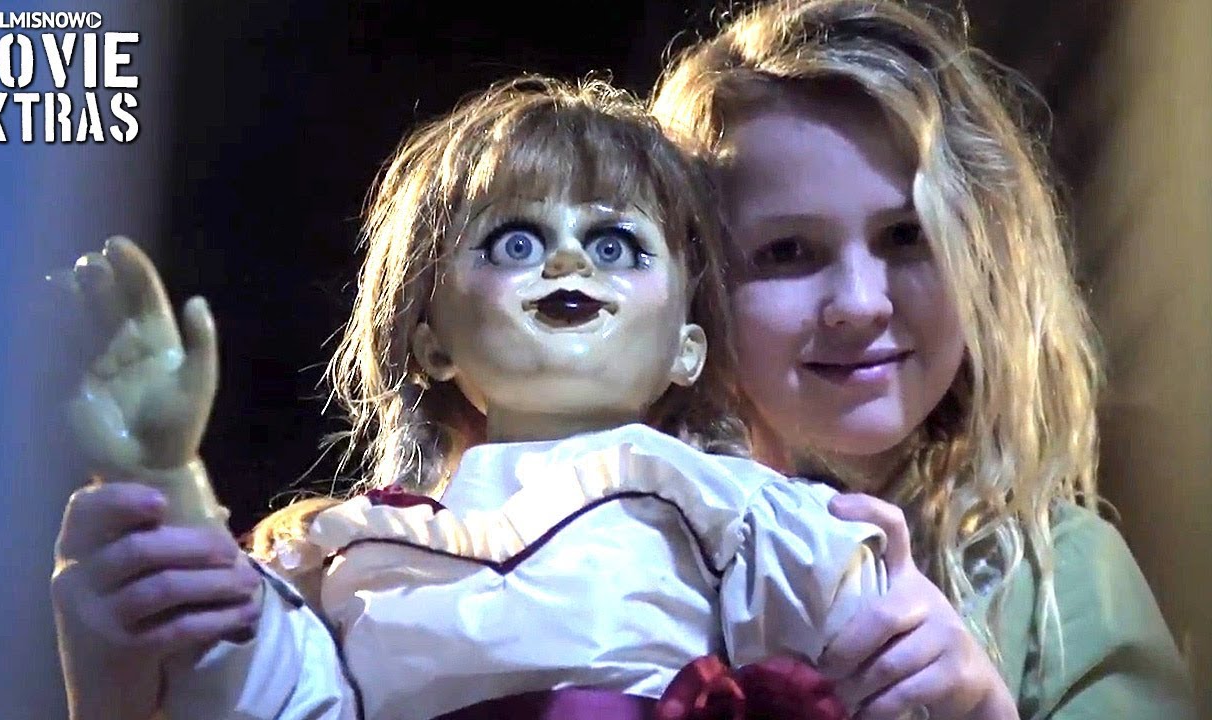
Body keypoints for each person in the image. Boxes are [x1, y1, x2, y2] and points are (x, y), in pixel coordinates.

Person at [51, 76, 889, 720]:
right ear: (431, 342)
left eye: (614, 243)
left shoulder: (733, 514)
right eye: (515, 241)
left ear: (687, 346)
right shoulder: (347, 555)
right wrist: (165, 475)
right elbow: (260, 695)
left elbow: (870, 669)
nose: (568, 261)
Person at [649, 1, 1196, 719]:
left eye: (908, 236)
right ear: (690, 284)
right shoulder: (617, 551)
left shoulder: (1062, 581)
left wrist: (983, 708)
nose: (860, 303)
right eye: (787, 251)